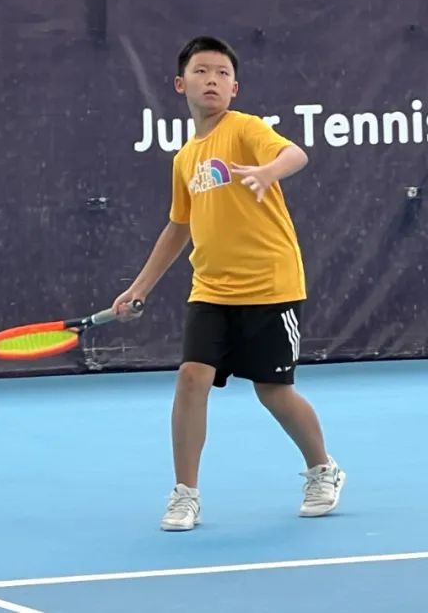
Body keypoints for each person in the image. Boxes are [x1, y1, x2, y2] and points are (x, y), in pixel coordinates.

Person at [112, 35, 345, 531]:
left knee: (273, 391)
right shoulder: (184, 159)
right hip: (211, 289)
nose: (212, 80)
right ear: (181, 84)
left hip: (271, 285)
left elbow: (295, 154)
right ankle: (185, 494)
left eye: (222, 74)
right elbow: (178, 227)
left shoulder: (245, 128)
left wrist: (268, 171)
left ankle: (323, 469)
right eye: (201, 71)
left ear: (234, 88)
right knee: (191, 378)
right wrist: (139, 288)